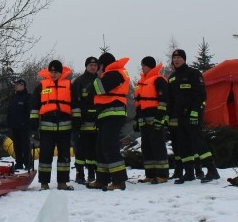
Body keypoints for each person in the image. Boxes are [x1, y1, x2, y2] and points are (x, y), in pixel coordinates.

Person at [168, 49, 219, 183]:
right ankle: (189, 173)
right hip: (178, 116)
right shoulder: (172, 78)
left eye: (179, 57)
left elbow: (201, 94)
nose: (176, 60)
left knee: (197, 143)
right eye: (174, 58)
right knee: (183, 145)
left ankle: (212, 170)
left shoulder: (193, 74)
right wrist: (169, 116)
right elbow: (170, 100)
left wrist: (196, 111)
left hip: (192, 114)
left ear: (184, 59)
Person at [89, 52, 130, 191]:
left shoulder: (115, 73)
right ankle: (102, 179)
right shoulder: (110, 74)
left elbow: (97, 89)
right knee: (100, 147)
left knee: (110, 146)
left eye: (100, 65)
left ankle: (119, 181)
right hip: (105, 115)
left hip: (114, 113)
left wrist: (97, 77)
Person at [32, 60, 74, 190]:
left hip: (65, 126)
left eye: (56, 71)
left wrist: (77, 119)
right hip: (46, 127)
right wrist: (33, 120)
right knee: (45, 155)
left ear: (61, 72)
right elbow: (34, 105)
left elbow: (76, 104)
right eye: (52, 71)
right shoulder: (41, 86)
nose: (54, 74)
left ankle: (62, 182)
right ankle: (44, 183)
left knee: (64, 156)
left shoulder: (69, 85)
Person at [134, 56, 169, 183]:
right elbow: (138, 103)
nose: (142, 68)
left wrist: (160, 118)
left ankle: (162, 174)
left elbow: (164, 100)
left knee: (158, 145)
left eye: (143, 65)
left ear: (149, 66)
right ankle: (150, 174)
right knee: (146, 147)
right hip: (144, 120)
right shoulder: (141, 82)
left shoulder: (159, 80)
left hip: (155, 118)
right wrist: (136, 120)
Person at [71, 56, 99, 184]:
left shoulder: (100, 80)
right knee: (80, 149)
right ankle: (79, 174)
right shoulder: (79, 81)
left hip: (96, 121)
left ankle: (92, 173)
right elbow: (75, 101)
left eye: (95, 65)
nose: (93, 67)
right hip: (82, 121)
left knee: (93, 149)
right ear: (86, 66)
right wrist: (77, 119)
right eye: (90, 65)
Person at [6, 78, 33, 172]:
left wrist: (26, 122)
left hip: (24, 126)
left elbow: (29, 111)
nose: (16, 86)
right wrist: (9, 123)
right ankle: (19, 163)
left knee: (25, 145)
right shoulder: (13, 97)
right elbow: (10, 111)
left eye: (18, 85)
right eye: (16, 85)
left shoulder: (28, 97)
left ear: (23, 86)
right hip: (14, 125)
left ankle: (28, 163)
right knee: (17, 146)